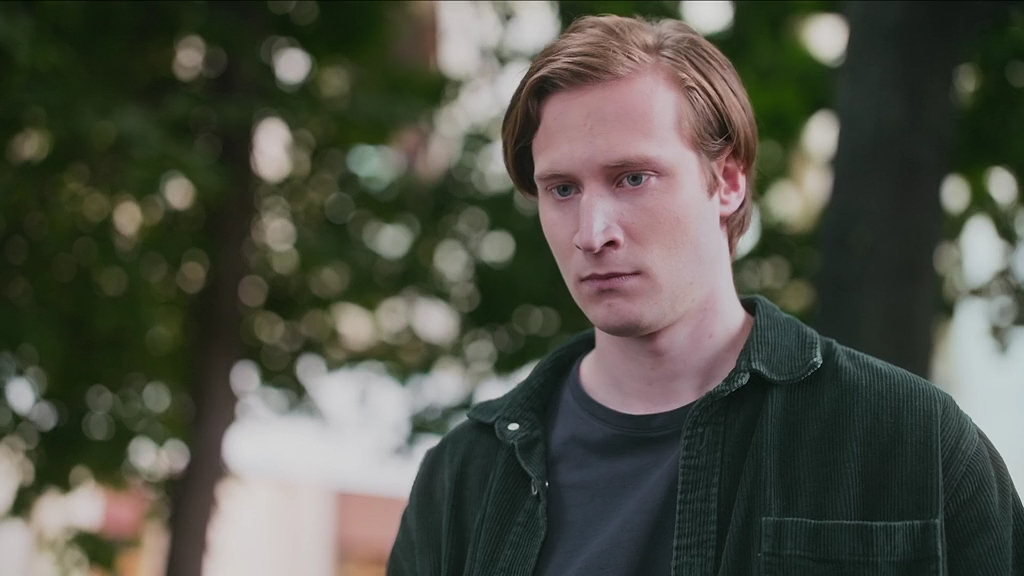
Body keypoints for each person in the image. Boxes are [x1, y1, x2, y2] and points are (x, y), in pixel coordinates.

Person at [387, 14, 1024, 576]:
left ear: (728, 182)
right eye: (562, 189)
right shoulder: (464, 478)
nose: (591, 232)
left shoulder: (911, 442)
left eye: (632, 178)